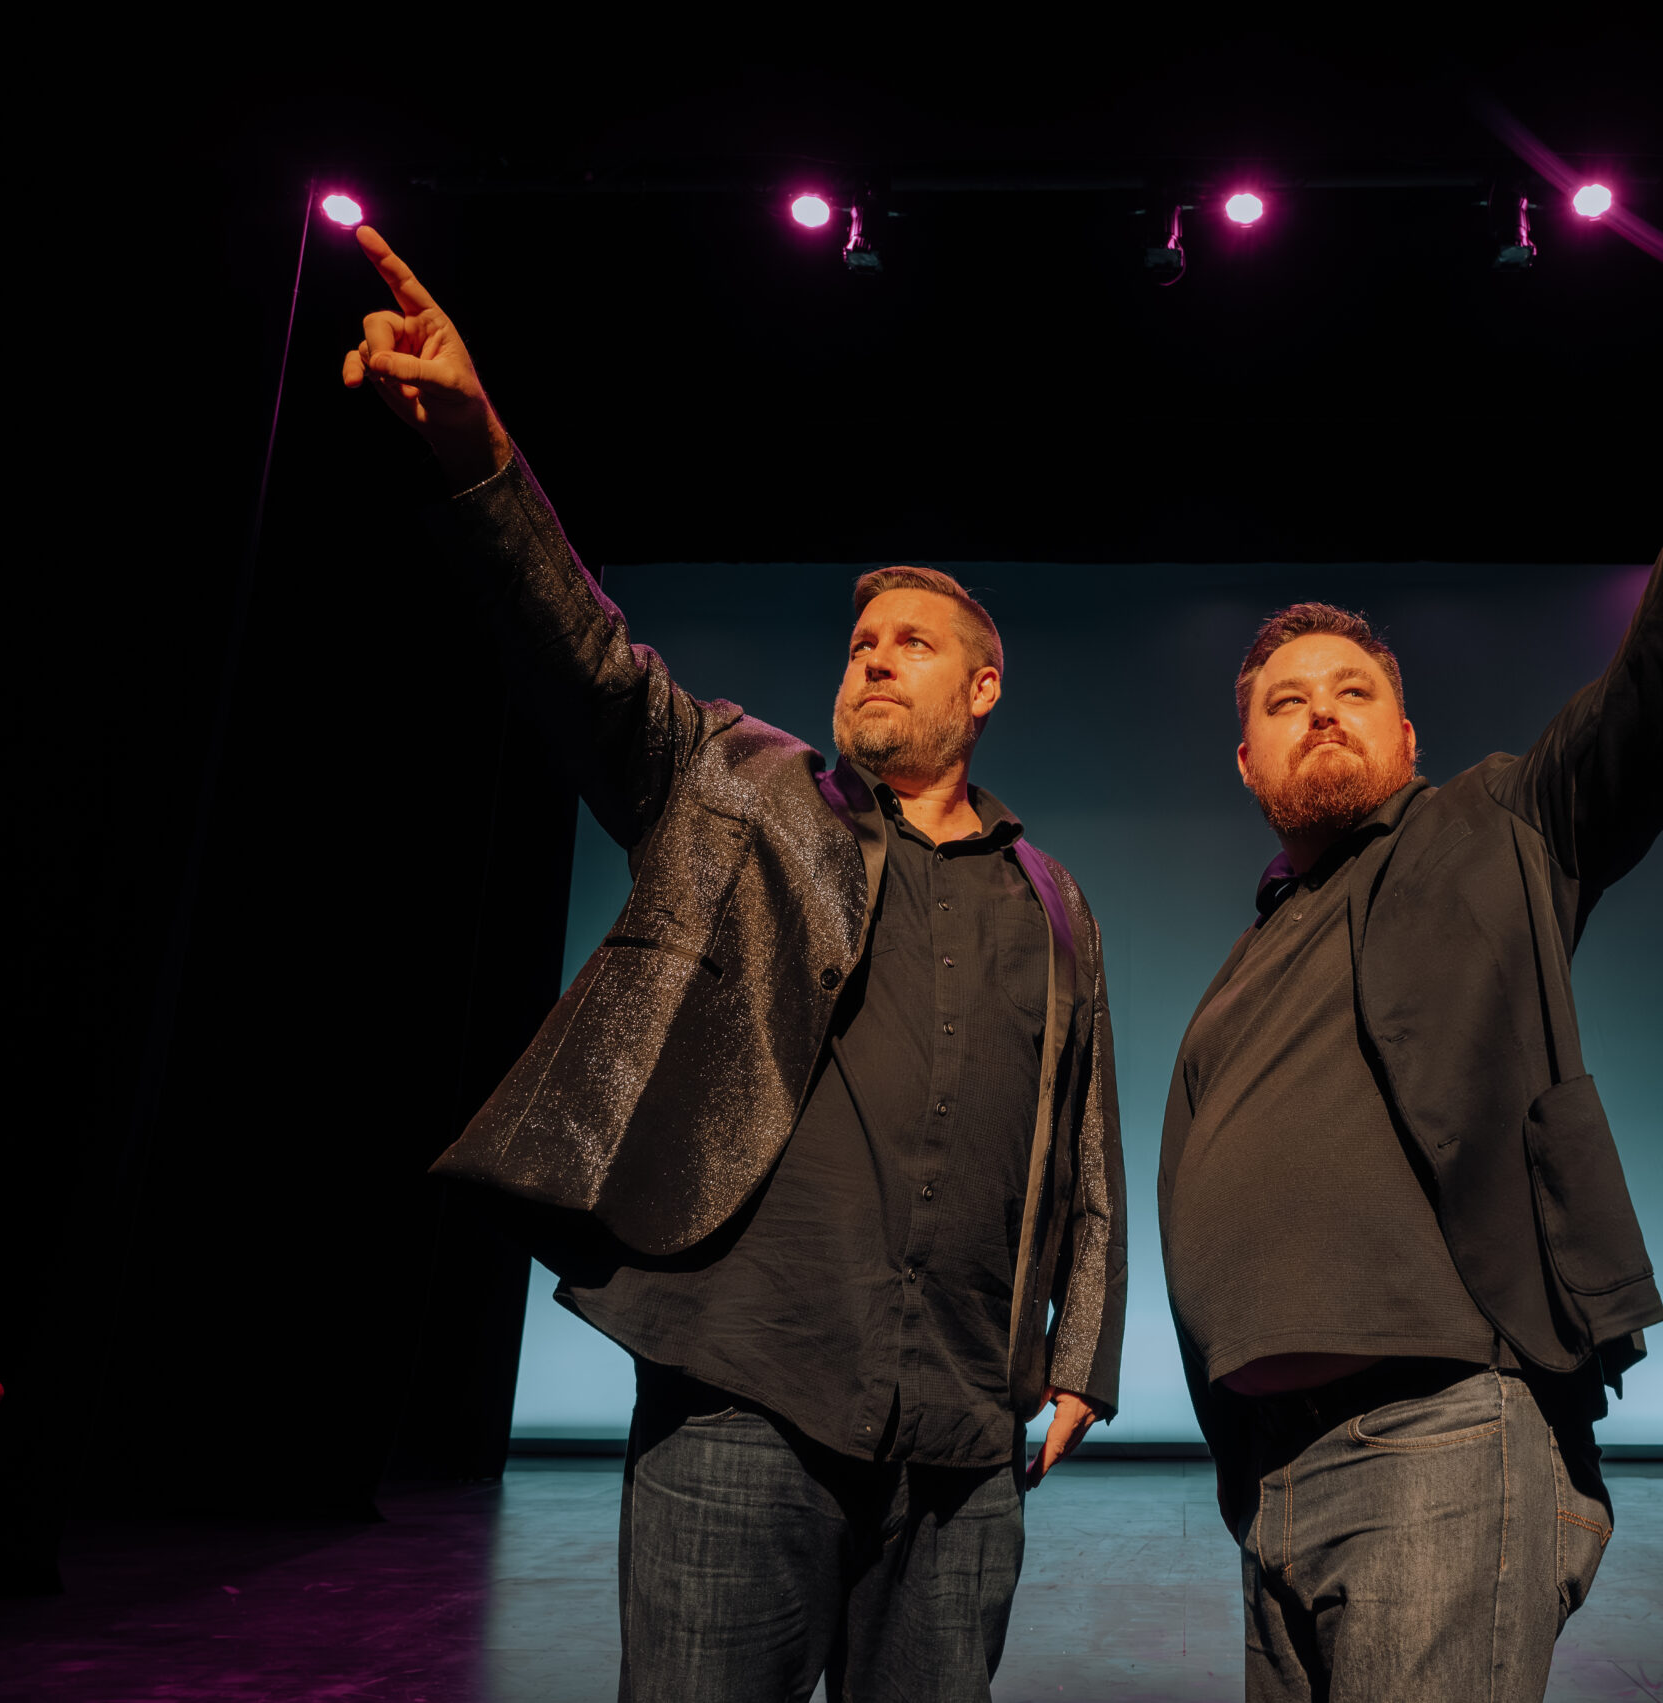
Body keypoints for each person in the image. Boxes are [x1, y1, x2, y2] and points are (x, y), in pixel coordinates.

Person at [340, 226, 1125, 1703]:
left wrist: (1082, 1352)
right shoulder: (738, 779)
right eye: (862, 640)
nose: (873, 656)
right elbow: (584, 658)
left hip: (964, 1437)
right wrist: (477, 451)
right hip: (740, 1394)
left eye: (911, 642)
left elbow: (1083, 1139)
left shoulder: (1051, 896)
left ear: (984, 684)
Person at [1159, 259, 1663, 1701]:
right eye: (1287, 703)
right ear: (1247, 763)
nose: (1321, 715)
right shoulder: (1241, 968)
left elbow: (1658, 695)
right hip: (1272, 1478)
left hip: (1443, 1443)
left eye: (1353, 692)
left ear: (1409, 740)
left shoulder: (1498, 824)